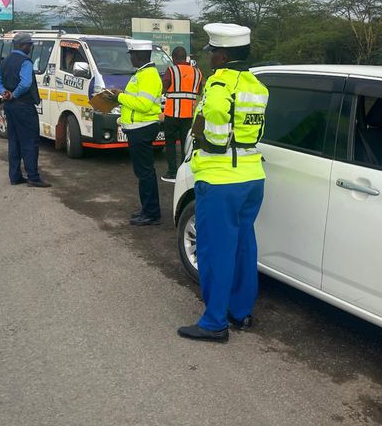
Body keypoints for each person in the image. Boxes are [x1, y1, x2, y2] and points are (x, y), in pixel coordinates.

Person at [177, 23, 269, 343]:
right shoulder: (256, 85)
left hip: (220, 180)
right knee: (244, 246)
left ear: (223, 54)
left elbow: (213, 119)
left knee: (216, 250)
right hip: (252, 176)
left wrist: (203, 134)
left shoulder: (220, 84)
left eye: (212, 52)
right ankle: (240, 312)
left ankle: (215, 322)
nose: (210, 58)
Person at [102, 39, 163, 226]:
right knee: (143, 171)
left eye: (131, 55)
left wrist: (119, 97)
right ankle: (147, 209)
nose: (130, 59)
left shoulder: (149, 75)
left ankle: (151, 213)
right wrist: (121, 94)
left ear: (139, 55)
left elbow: (144, 105)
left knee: (145, 172)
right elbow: (137, 99)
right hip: (138, 128)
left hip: (142, 128)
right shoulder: (143, 73)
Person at [0, 33, 51, 188]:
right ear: (23, 45)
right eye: (29, 45)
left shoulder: (5, 61)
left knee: (14, 141)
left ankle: (15, 176)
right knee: (30, 141)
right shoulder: (26, 62)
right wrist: (14, 94)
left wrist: (4, 91)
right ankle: (33, 176)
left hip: (9, 107)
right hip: (23, 105)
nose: (30, 47)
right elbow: (26, 83)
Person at [160, 46, 203, 182]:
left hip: (172, 113)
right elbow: (200, 90)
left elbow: (164, 87)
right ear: (185, 58)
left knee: (171, 143)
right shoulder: (197, 72)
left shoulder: (171, 70)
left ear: (173, 58)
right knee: (186, 144)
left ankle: (172, 172)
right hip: (189, 114)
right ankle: (184, 172)